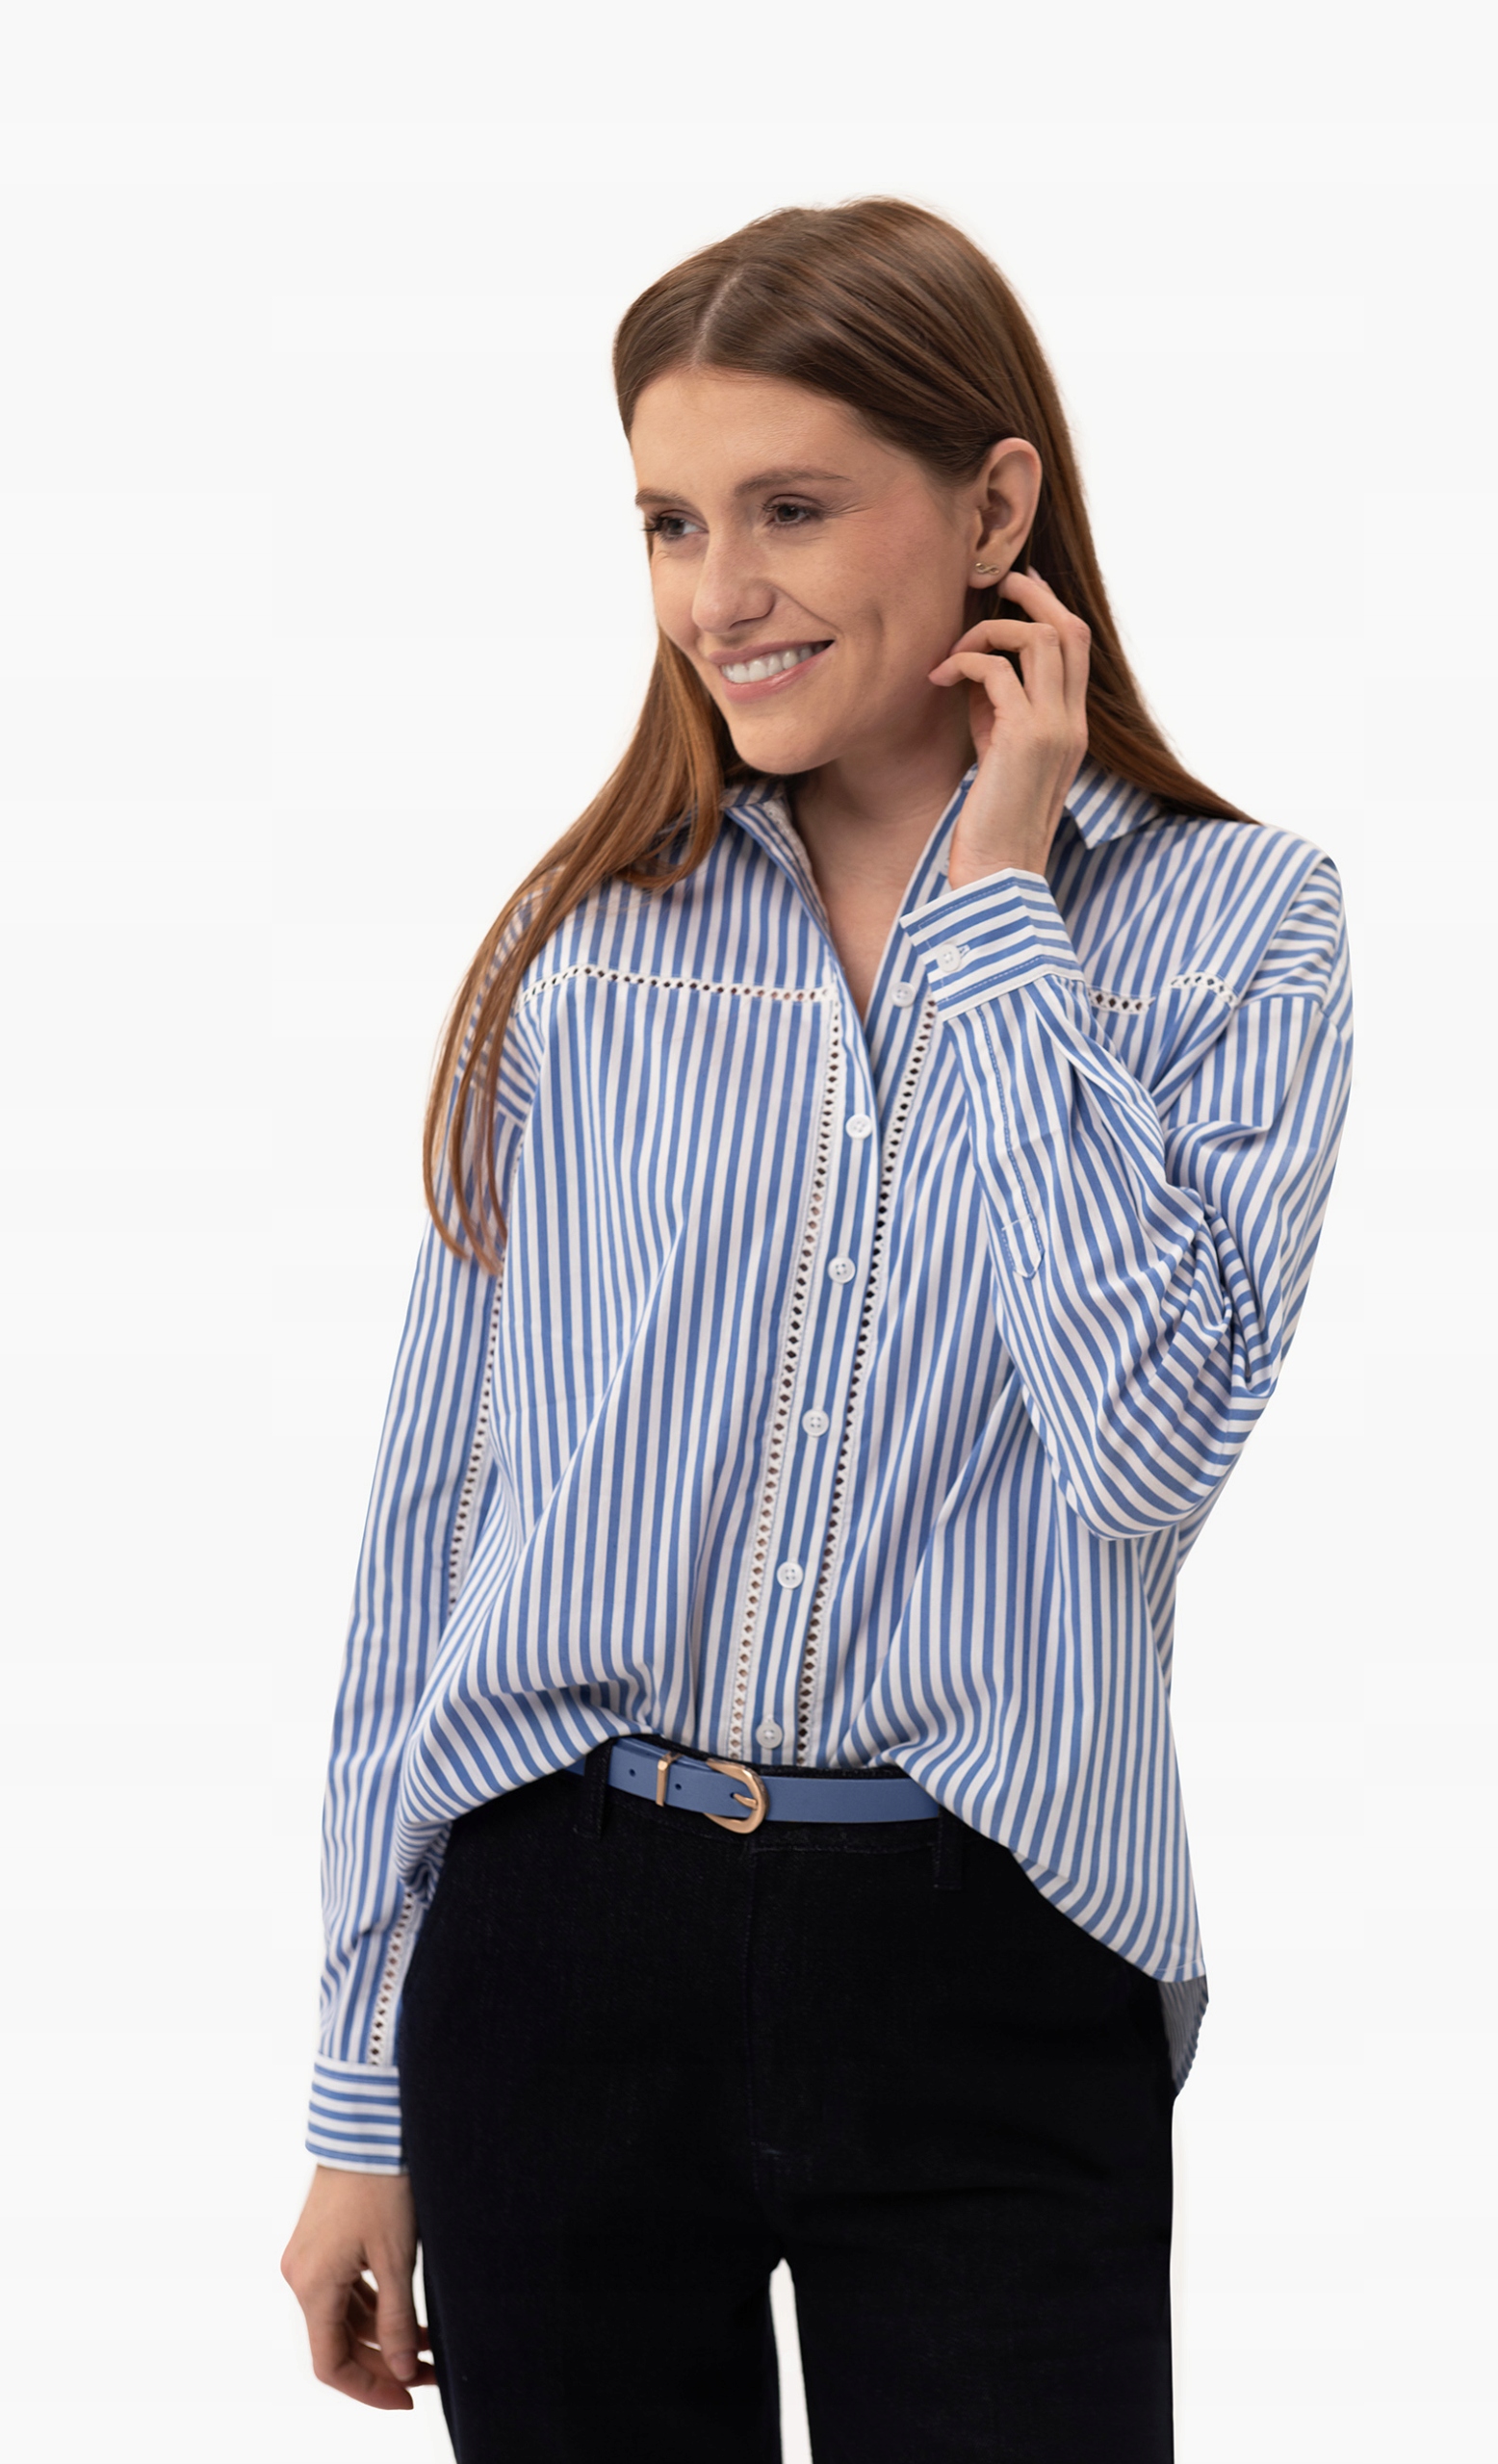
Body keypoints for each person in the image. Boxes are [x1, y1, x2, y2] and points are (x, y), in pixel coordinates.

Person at [280, 196, 1354, 2462]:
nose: (717, 595)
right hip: (557, 1956)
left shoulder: (1238, 928)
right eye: (671, 522)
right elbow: (436, 1536)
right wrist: (360, 2084)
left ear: (994, 506)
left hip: (994, 1954)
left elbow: (1148, 1440)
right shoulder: (587, 949)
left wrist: (996, 908)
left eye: (789, 508)